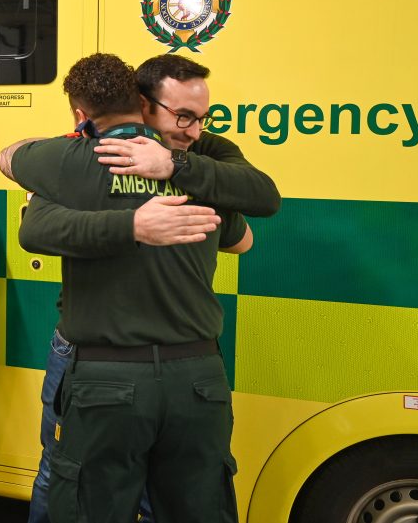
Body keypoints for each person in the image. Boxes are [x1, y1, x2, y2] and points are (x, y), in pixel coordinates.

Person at [18, 54, 280, 523]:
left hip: (151, 375)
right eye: (182, 116)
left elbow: (265, 197)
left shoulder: (199, 157)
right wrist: (135, 224)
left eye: (202, 118)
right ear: (143, 104)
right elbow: (241, 237)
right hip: (175, 376)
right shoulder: (87, 153)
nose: (195, 130)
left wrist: (174, 163)